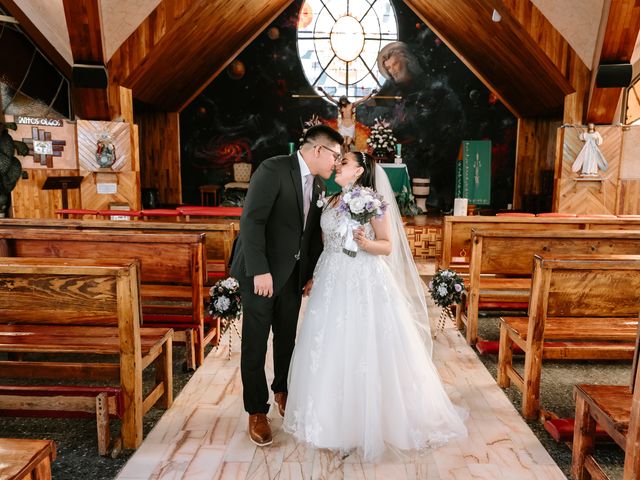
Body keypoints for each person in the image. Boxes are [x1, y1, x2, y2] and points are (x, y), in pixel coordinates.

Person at [283, 151, 467, 460]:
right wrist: (314, 275)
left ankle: (372, 420)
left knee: (364, 344)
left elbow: (387, 245)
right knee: (328, 345)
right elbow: (324, 245)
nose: (337, 165)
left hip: (364, 279)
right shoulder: (329, 201)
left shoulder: (373, 203)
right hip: (330, 279)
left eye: (343, 162)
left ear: (357, 172)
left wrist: (367, 244)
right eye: (337, 160)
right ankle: (330, 417)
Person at [230, 124, 344, 446]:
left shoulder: (320, 188)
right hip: (261, 275)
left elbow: (309, 236)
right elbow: (252, 221)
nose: (336, 163)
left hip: (292, 277)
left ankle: (283, 391)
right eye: (335, 155)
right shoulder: (274, 169)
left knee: (286, 339)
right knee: (255, 343)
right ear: (318, 150)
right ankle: (256, 410)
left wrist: (310, 273)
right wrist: (259, 270)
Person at [317, 87, 377, 151]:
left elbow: (362, 100)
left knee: (348, 144)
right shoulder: (340, 105)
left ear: (346, 100)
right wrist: (323, 91)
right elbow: (331, 99)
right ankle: (343, 157)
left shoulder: (351, 105)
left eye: (344, 100)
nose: (343, 102)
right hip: (343, 126)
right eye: (342, 101)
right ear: (340, 101)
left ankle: (348, 156)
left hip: (350, 126)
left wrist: (371, 93)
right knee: (343, 143)